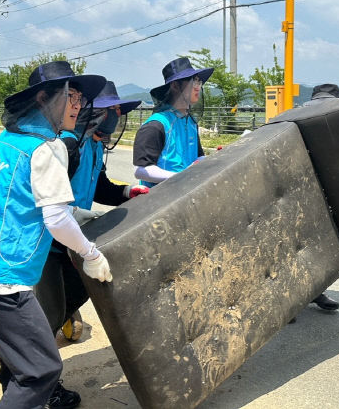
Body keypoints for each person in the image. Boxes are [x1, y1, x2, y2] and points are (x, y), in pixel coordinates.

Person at [0, 61, 113, 409]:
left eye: (80, 98)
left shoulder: (11, 140)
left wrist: (79, 213)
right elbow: (54, 219)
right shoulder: (46, 147)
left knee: (19, 360)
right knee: (41, 369)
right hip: (0, 280)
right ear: (43, 99)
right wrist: (91, 254)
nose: (77, 106)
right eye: (70, 96)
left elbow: (29, 202)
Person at [35, 81, 148, 363]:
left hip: (74, 239)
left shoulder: (96, 146)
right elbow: (52, 209)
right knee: (48, 312)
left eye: (119, 110)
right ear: (95, 113)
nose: (117, 115)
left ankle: (43, 336)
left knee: (80, 292)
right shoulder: (69, 145)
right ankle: (29, 366)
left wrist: (125, 193)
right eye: (113, 109)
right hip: (50, 241)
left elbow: (99, 187)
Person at [133, 57, 213, 187]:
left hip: (185, 193)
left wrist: (215, 158)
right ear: (175, 86)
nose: (198, 87)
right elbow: (141, 170)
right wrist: (182, 177)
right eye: (193, 81)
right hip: (159, 200)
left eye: (199, 81)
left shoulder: (191, 123)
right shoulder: (156, 125)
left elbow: (197, 158)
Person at [299, 84, 339, 312]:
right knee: (301, 247)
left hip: (324, 194)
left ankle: (316, 291)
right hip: (300, 192)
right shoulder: (296, 120)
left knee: (317, 246)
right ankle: (293, 301)